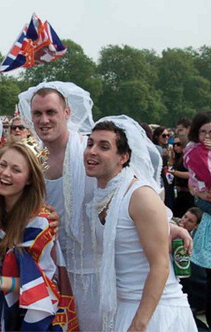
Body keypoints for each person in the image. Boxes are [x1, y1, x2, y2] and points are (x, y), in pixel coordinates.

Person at [18, 81, 193, 331]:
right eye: (37, 113)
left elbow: (138, 190)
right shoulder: (37, 161)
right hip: (59, 273)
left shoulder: (88, 152)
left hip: (103, 276)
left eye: (51, 112)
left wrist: (166, 225)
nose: (44, 120)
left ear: (67, 113)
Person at [84, 117, 196, 331]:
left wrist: (138, 325)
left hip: (155, 312)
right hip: (121, 307)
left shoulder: (140, 195)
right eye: (90, 144)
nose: (92, 151)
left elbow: (160, 265)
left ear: (123, 157)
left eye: (103, 146)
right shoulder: (100, 195)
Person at [0, 141, 59, 331]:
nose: (6, 173)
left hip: (25, 314)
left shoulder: (40, 222)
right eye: (2, 165)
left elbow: (43, 283)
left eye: (16, 170)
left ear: (30, 179)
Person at [169, 135, 194, 217]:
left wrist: (175, 172)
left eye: (178, 144)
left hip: (187, 193)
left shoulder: (187, 157)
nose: (175, 147)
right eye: (174, 145)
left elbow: (190, 174)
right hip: (178, 192)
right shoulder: (177, 157)